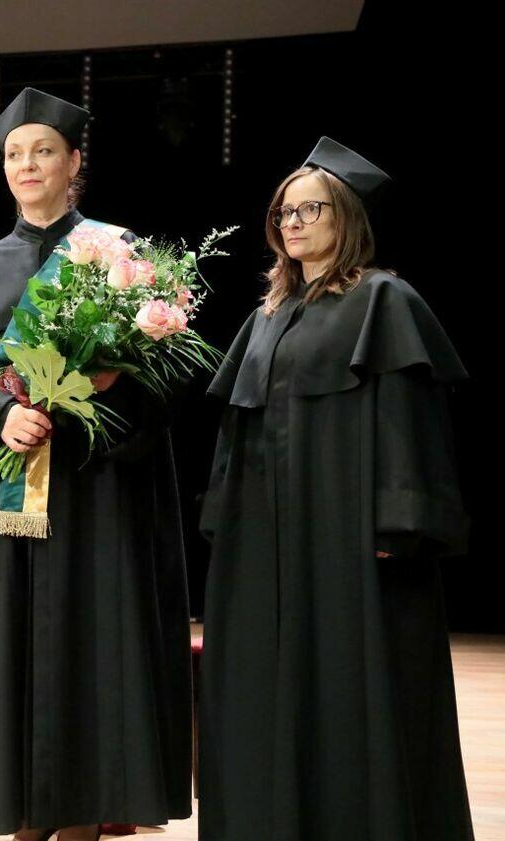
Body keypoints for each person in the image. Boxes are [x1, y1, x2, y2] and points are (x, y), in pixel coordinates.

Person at [0, 88, 192, 839]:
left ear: (74, 162)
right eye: (14, 154)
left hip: (99, 486)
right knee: (20, 644)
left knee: (97, 639)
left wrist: (99, 395)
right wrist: (1, 415)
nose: (27, 164)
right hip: (14, 489)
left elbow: (167, 377)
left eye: (42, 151)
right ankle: (27, 806)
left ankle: (89, 812)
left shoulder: (119, 256)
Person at [198, 137, 474, 840]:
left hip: (345, 534)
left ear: (345, 215)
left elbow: (411, 421)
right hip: (265, 541)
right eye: (283, 212)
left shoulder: (384, 299)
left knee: (355, 687)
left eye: (309, 209)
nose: (292, 223)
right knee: (264, 686)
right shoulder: (266, 314)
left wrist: (398, 521)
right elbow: (237, 430)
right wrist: (225, 519)